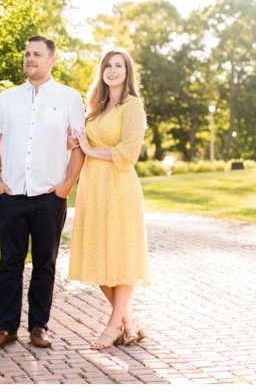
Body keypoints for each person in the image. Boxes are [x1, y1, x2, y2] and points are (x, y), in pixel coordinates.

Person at [0, 35, 86, 349]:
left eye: (37, 54)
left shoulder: (69, 98)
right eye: (27, 54)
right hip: (11, 195)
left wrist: (67, 185)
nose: (30, 59)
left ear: (52, 60)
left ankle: (39, 327)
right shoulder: (7, 98)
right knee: (9, 263)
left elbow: (80, 145)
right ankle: (5, 327)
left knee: (45, 264)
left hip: (49, 197)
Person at [68, 48, 151, 349]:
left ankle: (113, 325)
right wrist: (75, 142)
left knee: (121, 254)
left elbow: (129, 153)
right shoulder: (96, 107)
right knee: (97, 254)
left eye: (119, 66)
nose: (113, 70)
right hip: (93, 188)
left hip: (119, 188)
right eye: (108, 65)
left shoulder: (132, 106)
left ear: (127, 73)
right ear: (101, 71)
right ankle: (128, 322)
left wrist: (90, 151)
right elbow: (81, 142)